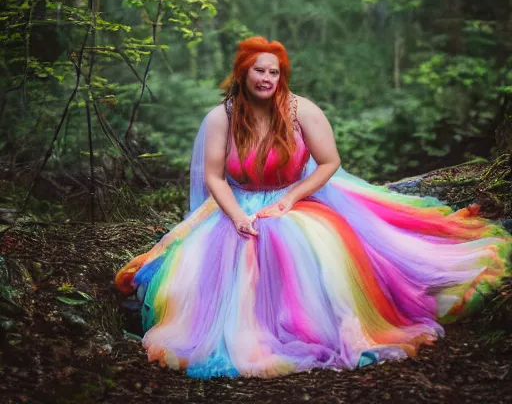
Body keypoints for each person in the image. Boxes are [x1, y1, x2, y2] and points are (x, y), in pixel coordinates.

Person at [115, 36, 511, 379]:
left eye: (274, 72)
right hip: (237, 205)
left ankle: (312, 327)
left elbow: (329, 163)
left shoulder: (300, 110)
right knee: (209, 263)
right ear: (242, 74)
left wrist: (289, 199)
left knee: (299, 240)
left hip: (296, 198)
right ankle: (246, 333)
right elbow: (215, 177)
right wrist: (237, 217)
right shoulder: (222, 117)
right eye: (258, 71)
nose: (267, 79)